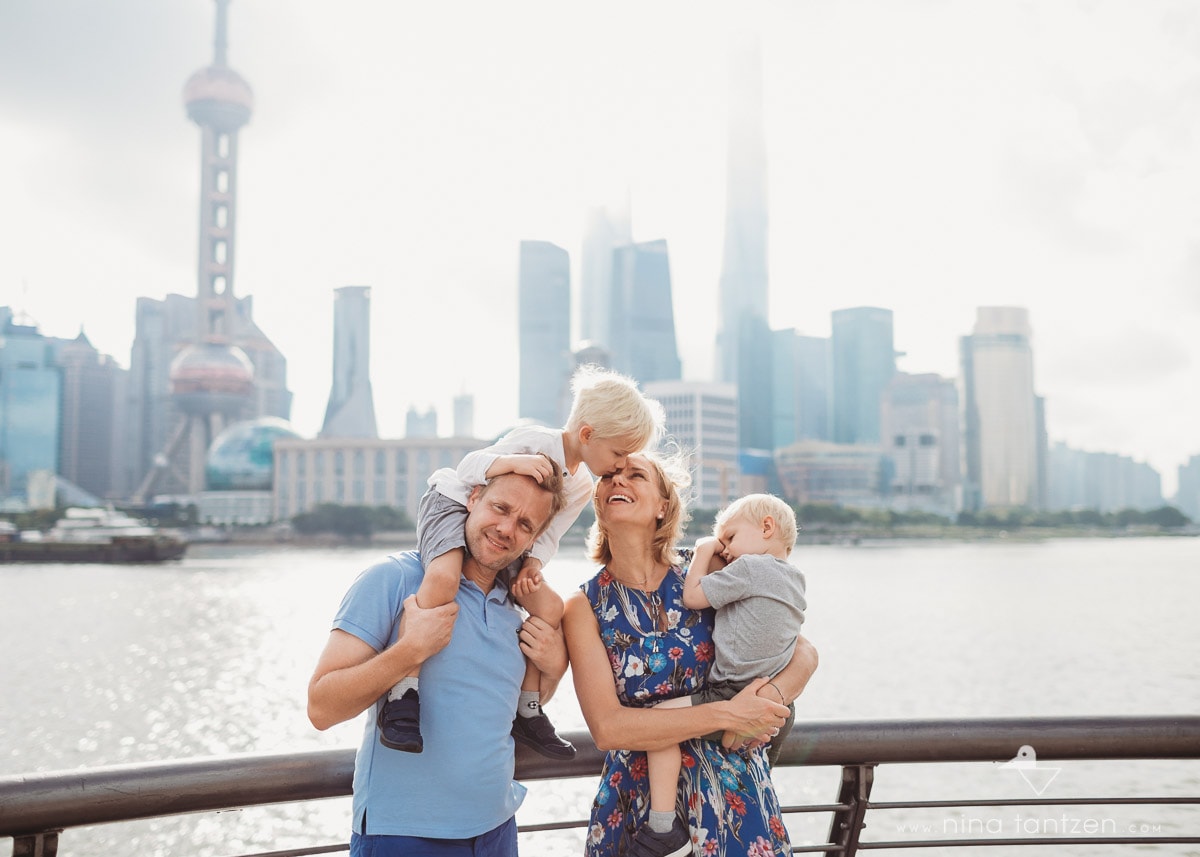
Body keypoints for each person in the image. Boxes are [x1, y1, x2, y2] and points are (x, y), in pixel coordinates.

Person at [377, 365, 664, 759]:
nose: (618, 467)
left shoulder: (581, 484)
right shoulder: (535, 440)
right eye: (617, 454)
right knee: (443, 578)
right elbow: (468, 469)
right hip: (456, 503)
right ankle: (402, 695)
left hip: (512, 533)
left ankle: (527, 709)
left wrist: (533, 566)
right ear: (586, 435)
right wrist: (510, 465)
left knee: (550, 607)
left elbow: (549, 533)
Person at [563, 454, 819, 857]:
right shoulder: (583, 605)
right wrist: (729, 714)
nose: (618, 482)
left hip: (734, 796)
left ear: (663, 505)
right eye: (609, 477)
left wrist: (771, 699)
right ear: (598, 502)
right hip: (641, 810)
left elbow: (801, 648)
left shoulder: (709, 567)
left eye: (635, 475)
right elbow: (608, 729)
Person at [307, 465, 569, 856]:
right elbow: (322, 708)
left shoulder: (515, 608)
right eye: (500, 508)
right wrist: (410, 650)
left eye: (525, 524)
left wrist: (555, 667)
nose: (506, 528)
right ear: (473, 498)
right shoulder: (393, 578)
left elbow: (494, 711)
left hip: (497, 830)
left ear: (534, 539)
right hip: (403, 834)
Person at [641, 493, 807, 851]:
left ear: (766, 527)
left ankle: (662, 825)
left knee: (658, 726)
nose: (725, 550)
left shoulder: (748, 569)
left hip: (730, 693)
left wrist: (702, 551)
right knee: (756, 774)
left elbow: (693, 598)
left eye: (729, 537)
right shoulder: (796, 580)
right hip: (781, 707)